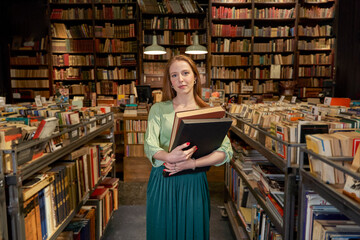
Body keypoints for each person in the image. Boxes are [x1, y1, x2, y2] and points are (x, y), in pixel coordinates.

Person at [144, 55, 233, 240]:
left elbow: (225, 152)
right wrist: (169, 157)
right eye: (174, 75)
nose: (180, 79)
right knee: (162, 231)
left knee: (192, 232)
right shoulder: (158, 109)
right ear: (170, 81)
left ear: (195, 76)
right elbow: (150, 145)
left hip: (193, 181)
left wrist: (192, 163)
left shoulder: (208, 111)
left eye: (185, 73)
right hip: (163, 180)